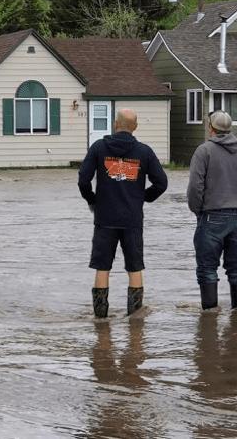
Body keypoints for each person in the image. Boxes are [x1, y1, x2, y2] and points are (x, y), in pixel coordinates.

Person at [78, 108, 168, 318]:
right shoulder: (144, 152)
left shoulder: (99, 147)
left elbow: (83, 180)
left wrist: (93, 201)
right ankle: (135, 317)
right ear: (134, 128)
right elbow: (162, 183)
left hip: (104, 218)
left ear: (115, 125)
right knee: (135, 267)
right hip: (132, 218)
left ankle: (100, 319)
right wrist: (142, 197)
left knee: (102, 267)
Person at [187, 111, 237, 310]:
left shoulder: (204, 151)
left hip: (211, 216)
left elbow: (195, 187)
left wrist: (198, 211)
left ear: (211, 127)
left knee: (207, 268)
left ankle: (210, 313)